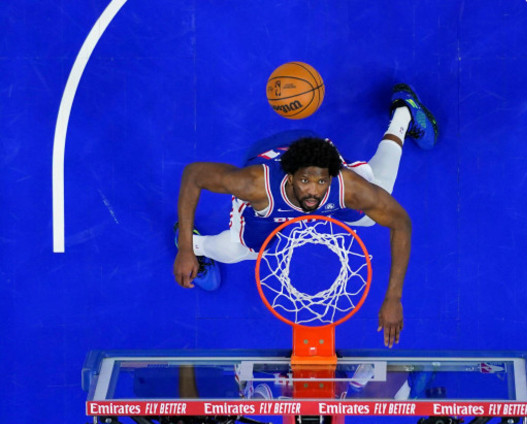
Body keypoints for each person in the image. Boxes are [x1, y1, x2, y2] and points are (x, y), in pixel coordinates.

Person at [173, 84, 438, 348]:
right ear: (290, 177)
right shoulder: (256, 185)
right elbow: (194, 175)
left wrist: (394, 297)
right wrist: (185, 248)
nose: (313, 192)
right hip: (267, 189)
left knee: (375, 205)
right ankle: (196, 244)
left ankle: (403, 112)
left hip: (313, 147)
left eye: (322, 182)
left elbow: (401, 223)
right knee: (244, 249)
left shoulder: (347, 188)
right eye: (304, 181)